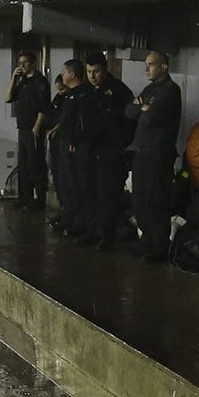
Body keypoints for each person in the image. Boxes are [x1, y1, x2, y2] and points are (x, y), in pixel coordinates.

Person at [74, 51, 135, 250]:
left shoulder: (119, 91)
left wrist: (120, 144)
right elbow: (76, 119)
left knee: (106, 195)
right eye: (89, 71)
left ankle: (107, 236)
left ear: (105, 69)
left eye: (97, 71)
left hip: (108, 151)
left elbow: (130, 121)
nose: (92, 76)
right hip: (86, 149)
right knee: (87, 191)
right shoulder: (84, 90)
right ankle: (92, 231)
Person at [130, 49, 183, 262]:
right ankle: (147, 241)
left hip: (158, 154)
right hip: (141, 151)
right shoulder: (150, 89)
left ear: (164, 66)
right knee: (140, 199)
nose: (146, 68)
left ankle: (159, 246)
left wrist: (143, 109)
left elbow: (151, 117)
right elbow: (129, 111)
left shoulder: (171, 90)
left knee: (155, 200)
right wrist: (142, 108)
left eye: (151, 64)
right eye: (146, 64)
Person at [41, 59, 88, 236]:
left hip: (73, 145)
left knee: (75, 184)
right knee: (65, 182)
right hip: (63, 142)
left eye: (65, 72)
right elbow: (65, 119)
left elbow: (81, 122)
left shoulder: (83, 94)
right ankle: (67, 216)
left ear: (72, 74)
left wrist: (75, 141)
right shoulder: (69, 95)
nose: (63, 75)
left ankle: (78, 221)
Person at [5, 48, 52, 212]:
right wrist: (14, 79)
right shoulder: (22, 81)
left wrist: (36, 127)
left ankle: (39, 200)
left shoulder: (40, 82)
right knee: (23, 165)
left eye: (25, 63)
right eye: (20, 63)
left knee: (35, 165)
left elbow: (44, 107)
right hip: (22, 129)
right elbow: (8, 98)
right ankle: (24, 198)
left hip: (34, 130)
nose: (22, 66)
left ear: (33, 63)